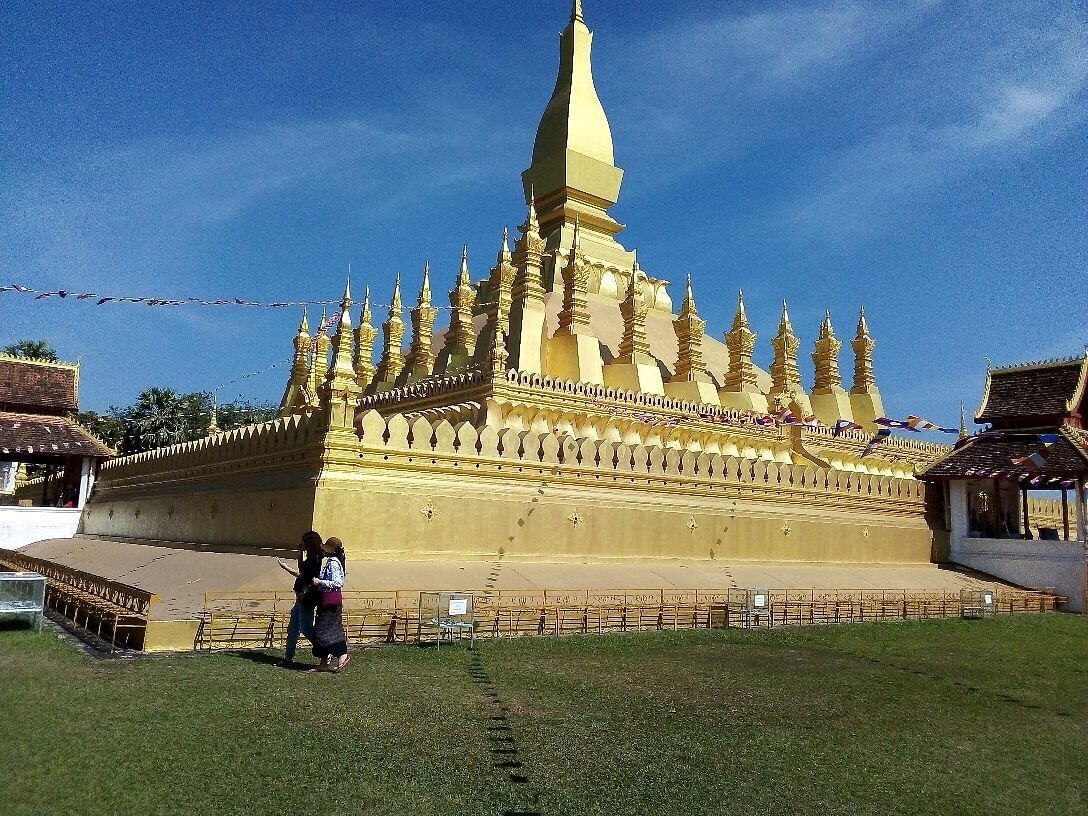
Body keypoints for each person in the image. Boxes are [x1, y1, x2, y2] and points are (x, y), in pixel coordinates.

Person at [277, 531, 323, 667]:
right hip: (300, 597)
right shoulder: (311, 558)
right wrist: (287, 568)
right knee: (293, 629)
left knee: (306, 628)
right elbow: (303, 575)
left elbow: (303, 571)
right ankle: (288, 658)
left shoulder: (315, 558)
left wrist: (299, 554)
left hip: (307, 598)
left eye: (304, 543)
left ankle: (326, 650)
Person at [310, 536, 350, 673]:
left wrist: (319, 582)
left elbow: (338, 583)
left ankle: (341, 655)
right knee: (331, 630)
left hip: (330, 602)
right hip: (327, 602)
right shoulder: (331, 561)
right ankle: (323, 663)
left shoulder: (333, 563)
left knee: (321, 632)